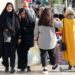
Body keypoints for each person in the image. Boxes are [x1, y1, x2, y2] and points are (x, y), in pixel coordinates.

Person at [34, 8, 62, 74]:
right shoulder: (52, 20)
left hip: (42, 40)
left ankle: (45, 68)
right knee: (52, 53)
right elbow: (60, 25)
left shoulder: (38, 21)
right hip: (51, 40)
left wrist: (35, 39)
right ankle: (53, 64)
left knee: (43, 54)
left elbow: (35, 31)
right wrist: (58, 20)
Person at [0, 2, 20, 73]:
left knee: (12, 53)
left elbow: (18, 27)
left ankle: (12, 67)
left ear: (12, 8)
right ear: (6, 7)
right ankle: (6, 66)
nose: (9, 8)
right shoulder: (2, 15)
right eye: (8, 6)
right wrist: (4, 28)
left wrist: (19, 37)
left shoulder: (15, 15)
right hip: (4, 37)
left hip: (13, 37)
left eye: (11, 7)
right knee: (5, 53)